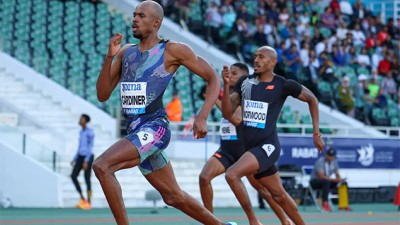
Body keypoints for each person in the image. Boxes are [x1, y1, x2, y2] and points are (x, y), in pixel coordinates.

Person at [93, 1, 236, 225]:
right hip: (135, 131)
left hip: (155, 128)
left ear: (156, 22)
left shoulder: (171, 50)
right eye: (134, 15)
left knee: (102, 165)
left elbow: (213, 77)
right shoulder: (125, 52)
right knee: (173, 196)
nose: (135, 19)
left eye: (141, 15)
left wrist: (202, 116)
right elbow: (102, 94)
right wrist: (110, 57)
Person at [221, 46, 325, 225]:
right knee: (279, 195)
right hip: (251, 147)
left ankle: (253, 221)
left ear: (273, 61)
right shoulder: (245, 82)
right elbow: (227, 112)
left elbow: (312, 99)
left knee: (231, 174)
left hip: (268, 146)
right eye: (255, 56)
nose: (256, 60)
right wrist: (225, 84)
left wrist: (316, 133)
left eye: (261, 57)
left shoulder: (283, 84)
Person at [199, 62, 292, 225]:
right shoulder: (228, 94)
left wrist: (213, 100)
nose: (230, 76)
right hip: (226, 151)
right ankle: (210, 221)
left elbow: (236, 120)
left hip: (245, 152)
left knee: (264, 190)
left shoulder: (248, 93)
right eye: (231, 73)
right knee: (204, 177)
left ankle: (282, 219)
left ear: (244, 76)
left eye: (235, 74)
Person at [310, 147, 351, 212]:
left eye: (332, 156)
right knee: (326, 182)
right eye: (329, 155)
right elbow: (321, 176)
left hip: (327, 182)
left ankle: (343, 205)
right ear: (326, 154)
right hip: (315, 181)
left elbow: (337, 174)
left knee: (343, 183)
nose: (330, 157)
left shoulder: (334, 162)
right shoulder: (320, 161)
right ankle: (325, 205)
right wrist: (335, 180)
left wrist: (340, 179)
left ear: (334, 156)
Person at [71, 114, 95, 210]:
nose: (79, 120)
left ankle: (89, 202)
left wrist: (86, 160)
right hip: (80, 156)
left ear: (85, 120)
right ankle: (82, 198)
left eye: (81, 119)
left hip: (87, 157)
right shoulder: (81, 132)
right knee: (73, 176)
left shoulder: (90, 132)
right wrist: (75, 158)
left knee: (87, 178)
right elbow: (80, 147)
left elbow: (90, 147)